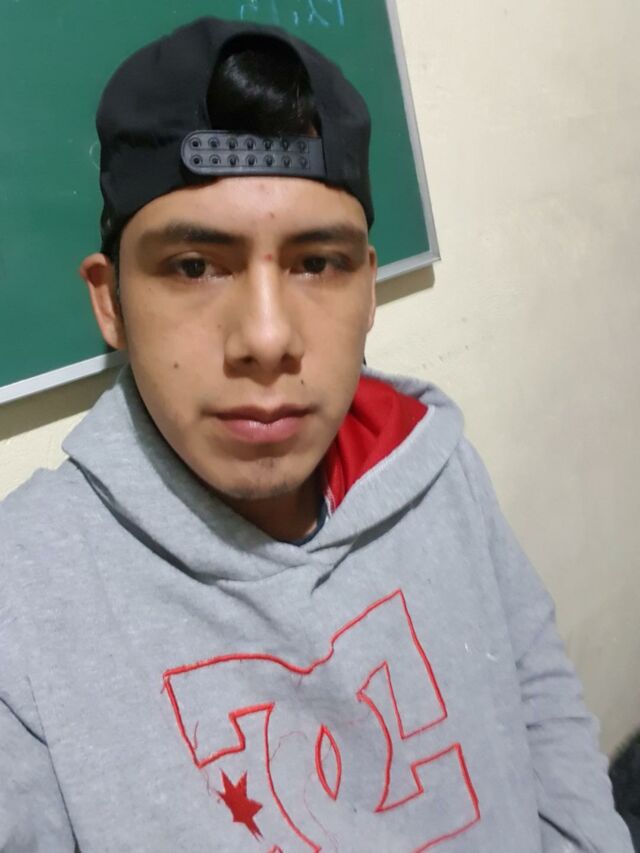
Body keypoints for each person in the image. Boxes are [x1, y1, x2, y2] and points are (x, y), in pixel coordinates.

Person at [0, 16, 632, 853]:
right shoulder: (24, 608)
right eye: (194, 266)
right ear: (110, 301)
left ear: (368, 289)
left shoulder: (432, 461)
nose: (266, 337)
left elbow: (544, 714)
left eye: (315, 262)